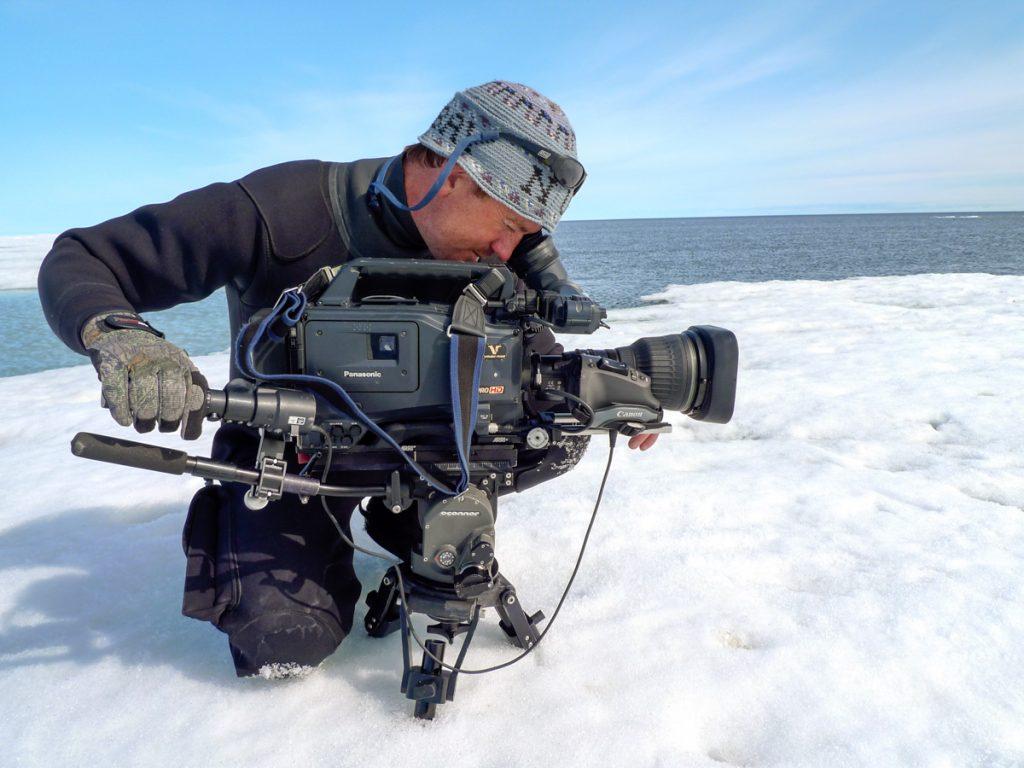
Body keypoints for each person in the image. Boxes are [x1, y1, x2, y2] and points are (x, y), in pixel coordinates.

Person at [38, 81, 657, 677]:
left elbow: (534, 361)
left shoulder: (492, 260)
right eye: (507, 225)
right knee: (286, 638)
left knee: (556, 435)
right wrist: (121, 336)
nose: (506, 251)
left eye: (524, 238)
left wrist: (622, 391)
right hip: (285, 455)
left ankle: (408, 527)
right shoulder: (284, 210)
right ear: (457, 174)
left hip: (434, 454)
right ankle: (269, 538)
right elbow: (84, 258)